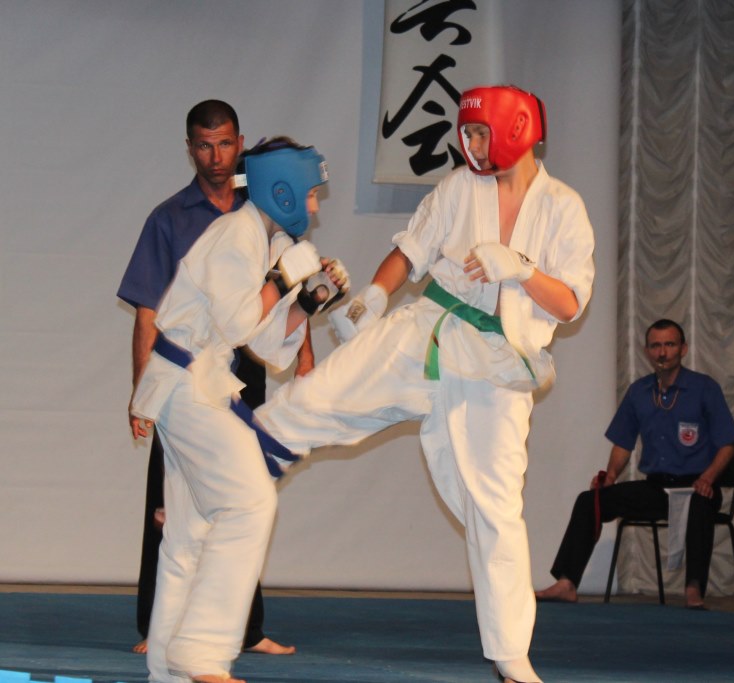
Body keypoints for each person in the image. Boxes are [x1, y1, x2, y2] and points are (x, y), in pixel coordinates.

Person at [254, 85, 595, 683]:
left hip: (496, 367)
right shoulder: (460, 188)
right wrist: (376, 295)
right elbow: (409, 254)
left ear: (516, 130)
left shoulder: (563, 207)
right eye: (470, 134)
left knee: (493, 509)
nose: (473, 145)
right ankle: (226, 469)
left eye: (482, 133)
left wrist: (522, 270)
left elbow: (569, 304)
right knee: (319, 396)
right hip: (427, 330)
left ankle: (512, 657)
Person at [128, 136, 346, 683]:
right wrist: (281, 280)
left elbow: (265, 343)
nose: (314, 206)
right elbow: (235, 322)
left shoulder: (267, 243)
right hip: (186, 383)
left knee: (187, 535)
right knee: (250, 503)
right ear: (282, 191)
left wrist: (311, 301)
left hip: (195, 384)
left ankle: (167, 669)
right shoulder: (234, 235)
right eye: (311, 194)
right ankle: (201, 651)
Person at [117, 100, 304, 657]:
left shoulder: (261, 211)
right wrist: (142, 393)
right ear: (190, 148)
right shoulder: (172, 218)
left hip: (239, 370)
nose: (216, 156)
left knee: (236, 496)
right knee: (203, 502)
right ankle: (167, 630)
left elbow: (283, 300)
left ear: (240, 144)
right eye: (204, 145)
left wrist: (307, 352)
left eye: (225, 144)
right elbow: (149, 311)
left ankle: (241, 629)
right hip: (186, 375)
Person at [535, 319, 734, 610]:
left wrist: (708, 478)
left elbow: (729, 442)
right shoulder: (639, 392)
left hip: (698, 486)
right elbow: (623, 443)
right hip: (657, 488)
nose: (662, 352)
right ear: (647, 351)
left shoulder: (704, 388)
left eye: (669, 345)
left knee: (699, 505)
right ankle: (567, 583)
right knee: (589, 500)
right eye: (656, 346)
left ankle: (694, 589)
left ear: (683, 349)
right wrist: (611, 476)